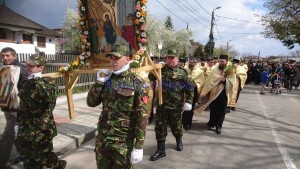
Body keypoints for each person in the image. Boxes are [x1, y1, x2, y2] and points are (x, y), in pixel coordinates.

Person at [86, 44, 148, 168]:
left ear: (127, 59)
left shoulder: (137, 82)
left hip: (123, 142)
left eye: (117, 58)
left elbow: (142, 116)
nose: (113, 61)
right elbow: (91, 103)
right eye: (111, 58)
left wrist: (139, 146)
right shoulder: (107, 80)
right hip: (103, 139)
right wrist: (99, 83)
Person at [17, 54, 66, 169]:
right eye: (27, 65)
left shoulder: (47, 83)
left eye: (31, 66)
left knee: (43, 155)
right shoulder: (27, 83)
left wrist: (36, 79)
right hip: (26, 126)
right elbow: (22, 105)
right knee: (29, 156)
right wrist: (17, 122)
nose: (27, 68)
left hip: (41, 127)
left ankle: (58, 165)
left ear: (41, 68)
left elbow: (48, 97)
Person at [149, 49, 194, 161]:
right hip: (161, 104)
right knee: (160, 127)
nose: (171, 60)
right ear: (166, 59)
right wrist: (154, 68)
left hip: (176, 105)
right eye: (169, 58)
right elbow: (150, 78)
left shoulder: (182, 72)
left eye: (173, 58)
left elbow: (189, 87)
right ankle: (161, 150)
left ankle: (179, 140)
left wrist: (189, 101)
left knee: (176, 126)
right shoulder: (160, 70)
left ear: (177, 59)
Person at [0, 47, 28, 168]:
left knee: (8, 134)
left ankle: (1, 161)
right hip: (6, 107)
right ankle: (25, 155)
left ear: (14, 56)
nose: (5, 58)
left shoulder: (20, 69)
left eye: (7, 55)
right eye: (3, 56)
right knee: (15, 134)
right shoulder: (4, 68)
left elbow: (26, 89)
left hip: (17, 108)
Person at [197, 54, 235, 134]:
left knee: (221, 110)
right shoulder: (214, 69)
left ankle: (218, 126)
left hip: (223, 93)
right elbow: (209, 80)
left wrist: (225, 80)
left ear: (226, 61)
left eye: (223, 61)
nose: (221, 63)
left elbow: (232, 82)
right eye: (219, 61)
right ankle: (212, 122)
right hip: (213, 92)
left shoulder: (230, 69)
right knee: (213, 109)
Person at [182, 57, 205, 130]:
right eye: (190, 62)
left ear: (196, 63)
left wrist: (196, 84)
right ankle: (182, 121)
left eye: (192, 62)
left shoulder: (200, 72)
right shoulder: (184, 70)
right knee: (182, 106)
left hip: (193, 91)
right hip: (183, 90)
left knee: (190, 108)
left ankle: (188, 123)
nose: (191, 64)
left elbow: (201, 82)